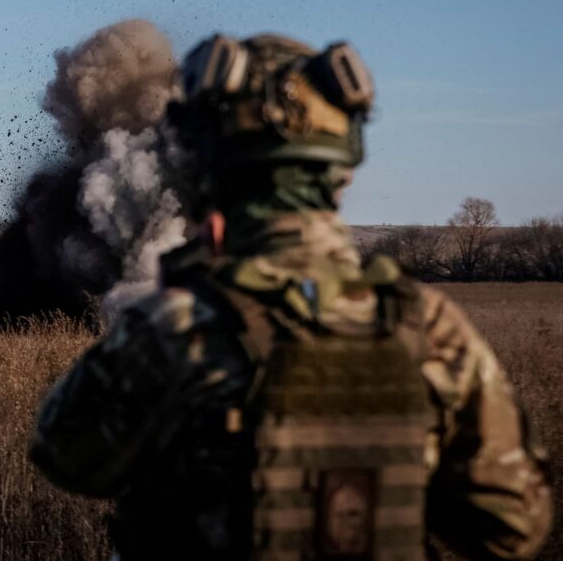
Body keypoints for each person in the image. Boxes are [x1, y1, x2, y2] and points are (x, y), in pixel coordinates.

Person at [29, 33, 553, 560]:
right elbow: (513, 527)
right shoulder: (429, 330)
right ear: (342, 174)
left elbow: (64, 456)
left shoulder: (175, 329)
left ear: (205, 171)